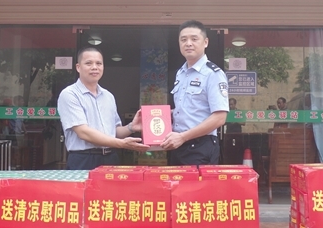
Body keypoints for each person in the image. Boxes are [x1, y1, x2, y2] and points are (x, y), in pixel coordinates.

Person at [57, 47, 148, 170]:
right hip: (83, 159)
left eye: (99, 63)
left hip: (111, 158)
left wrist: (131, 127)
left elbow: (114, 132)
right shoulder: (70, 94)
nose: (95, 67)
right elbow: (83, 132)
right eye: (89, 63)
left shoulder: (108, 96)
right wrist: (121, 144)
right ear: (78, 67)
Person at [161, 20, 229, 165]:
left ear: (205, 42)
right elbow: (187, 111)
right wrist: (158, 116)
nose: (188, 43)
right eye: (183, 40)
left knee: (197, 182)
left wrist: (183, 137)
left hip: (200, 146)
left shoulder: (213, 74)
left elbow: (220, 118)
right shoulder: (180, 73)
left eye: (194, 39)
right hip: (178, 145)